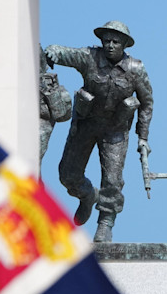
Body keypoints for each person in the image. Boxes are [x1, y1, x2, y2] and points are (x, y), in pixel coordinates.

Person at [43, 21, 153, 242]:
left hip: (116, 130)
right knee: (68, 174)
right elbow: (65, 53)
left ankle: (105, 224)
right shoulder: (90, 57)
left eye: (115, 41)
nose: (110, 45)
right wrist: (54, 51)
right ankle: (88, 195)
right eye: (107, 41)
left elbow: (147, 102)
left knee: (112, 181)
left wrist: (143, 138)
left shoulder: (135, 69)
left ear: (124, 45)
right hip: (86, 123)